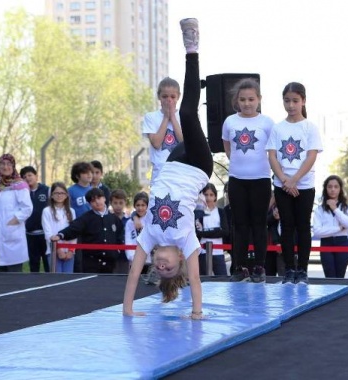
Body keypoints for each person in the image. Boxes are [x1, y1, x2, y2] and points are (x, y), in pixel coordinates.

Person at [123, 18, 211, 319]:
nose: (161, 266)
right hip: (198, 166)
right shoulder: (186, 240)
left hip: (173, 162)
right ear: (179, 261)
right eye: (168, 267)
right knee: (187, 112)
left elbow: (134, 274)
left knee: (184, 118)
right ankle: (192, 47)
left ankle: (191, 53)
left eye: (159, 268)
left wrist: (128, 309)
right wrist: (196, 312)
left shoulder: (148, 236)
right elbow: (197, 280)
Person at [266, 82, 323, 284]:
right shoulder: (277, 128)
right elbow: (272, 156)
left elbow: (311, 156)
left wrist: (295, 180)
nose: (291, 105)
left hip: (304, 186)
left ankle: (303, 270)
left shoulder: (310, 128)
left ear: (303, 101)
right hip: (282, 186)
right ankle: (289, 269)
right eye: (287, 101)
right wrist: (284, 180)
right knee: (287, 226)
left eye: (295, 101)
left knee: (303, 226)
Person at [221, 78, 274, 283]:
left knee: (259, 225)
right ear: (237, 100)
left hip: (261, 179)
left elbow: (272, 151)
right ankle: (239, 266)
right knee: (240, 225)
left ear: (259, 99)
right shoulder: (230, 122)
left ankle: (259, 266)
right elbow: (227, 147)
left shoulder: (267, 123)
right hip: (237, 180)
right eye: (242, 99)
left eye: (251, 99)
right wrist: (238, 163)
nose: (247, 103)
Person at [53, 188, 123, 273]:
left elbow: (119, 237)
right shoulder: (86, 218)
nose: (97, 202)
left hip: (110, 263)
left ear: (104, 198)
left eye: (99, 198)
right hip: (91, 263)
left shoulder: (115, 219)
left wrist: (117, 252)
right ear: (89, 204)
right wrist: (60, 235)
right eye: (93, 201)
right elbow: (74, 228)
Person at [0, 154, 33, 272]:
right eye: (2, 164)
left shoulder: (19, 185)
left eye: (8, 164)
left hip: (12, 233)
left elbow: (27, 208)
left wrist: (13, 221)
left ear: (13, 166)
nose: (5, 167)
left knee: (13, 275)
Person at [142, 75, 183, 184]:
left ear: (178, 96)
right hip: (160, 171)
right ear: (159, 96)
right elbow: (156, 143)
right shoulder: (151, 117)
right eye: (165, 96)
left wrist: (173, 117)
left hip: (180, 170)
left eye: (172, 97)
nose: (169, 100)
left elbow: (184, 142)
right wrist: (166, 117)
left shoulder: (183, 116)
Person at [312, 175, 348, 279]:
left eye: (336, 186)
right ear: (326, 189)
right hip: (326, 243)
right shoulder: (319, 209)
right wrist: (338, 229)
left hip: (342, 242)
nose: (333, 189)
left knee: (340, 278)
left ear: (340, 189)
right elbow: (317, 231)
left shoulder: (347, 207)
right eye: (330, 187)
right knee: (329, 278)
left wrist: (335, 209)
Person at [195, 183, 229, 276]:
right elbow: (198, 232)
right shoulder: (198, 212)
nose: (208, 198)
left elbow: (225, 231)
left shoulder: (221, 212)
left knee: (223, 281)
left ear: (215, 196)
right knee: (204, 280)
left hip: (218, 252)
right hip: (203, 252)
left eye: (211, 195)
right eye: (206, 195)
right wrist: (216, 230)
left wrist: (206, 232)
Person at [20, 166, 50, 273]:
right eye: (24, 177)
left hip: (45, 234)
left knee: (48, 263)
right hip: (30, 235)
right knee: (33, 264)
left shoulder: (47, 190)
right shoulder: (22, 193)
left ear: (36, 176)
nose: (27, 178)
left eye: (30, 175)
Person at [42, 182, 76, 273]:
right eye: (56, 193)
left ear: (66, 195)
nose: (59, 195)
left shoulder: (71, 211)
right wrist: (58, 249)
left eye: (62, 193)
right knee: (56, 279)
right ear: (51, 195)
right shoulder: (47, 211)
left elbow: (74, 231)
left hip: (69, 252)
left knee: (68, 280)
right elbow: (48, 233)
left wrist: (71, 250)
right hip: (53, 251)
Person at [125, 191, 157, 283]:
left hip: (152, 261)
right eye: (138, 205)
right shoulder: (130, 223)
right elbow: (129, 241)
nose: (140, 208)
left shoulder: (152, 219)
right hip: (136, 260)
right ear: (134, 206)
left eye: (143, 205)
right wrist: (132, 257)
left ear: (147, 206)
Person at [110, 188, 130, 274]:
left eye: (121, 203)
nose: (118, 206)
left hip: (125, 255)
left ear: (125, 202)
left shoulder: (129, 221)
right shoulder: (108, 219)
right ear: (111, 203)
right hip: (111, 255)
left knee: (125, 278)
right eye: (115, 203)